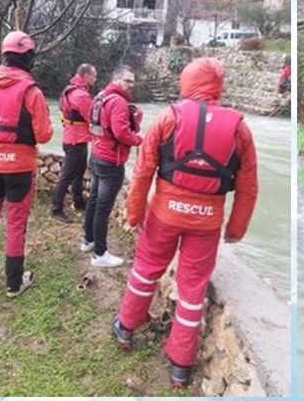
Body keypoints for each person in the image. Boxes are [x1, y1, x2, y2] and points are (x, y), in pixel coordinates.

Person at [111, 57, 258, 388]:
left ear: (186, 82)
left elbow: (144, 170)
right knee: (192, 289)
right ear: (218, 86)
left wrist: (135, 214)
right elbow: (248, 186)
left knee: (146, 269)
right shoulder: (239, 128)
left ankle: (126, 326)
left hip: (165, 213)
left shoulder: (169, 117)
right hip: (207, 222)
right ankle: (180, 364)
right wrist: (235, 230)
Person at [0, 31, 53, 298]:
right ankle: (14, 283)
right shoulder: (32, 92)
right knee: (16, 224)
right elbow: (44, 134)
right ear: (28, 58)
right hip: (19, 168)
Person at [82, 65, 143, 267]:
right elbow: (121, 134)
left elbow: (94, 124)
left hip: (97, 155)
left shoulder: (100, 97)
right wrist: (139, 140)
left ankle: (88, 241)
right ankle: (100, 254)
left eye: (133, 81)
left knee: (93, 200)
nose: (130, 85)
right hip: (111, 162)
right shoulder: (118, 102)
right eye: (127, 80)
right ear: (116, 79)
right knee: (102, 208)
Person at [52, 63, 97, 223]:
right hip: (76, 140)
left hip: (72, 138)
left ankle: (78, 202)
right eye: (94, 75)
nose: (95, 78)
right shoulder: (81, 96)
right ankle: (56, 208)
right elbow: (92, 117)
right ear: (86, 76)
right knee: (67, 175)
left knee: (79, 171)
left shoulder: (69, 90)